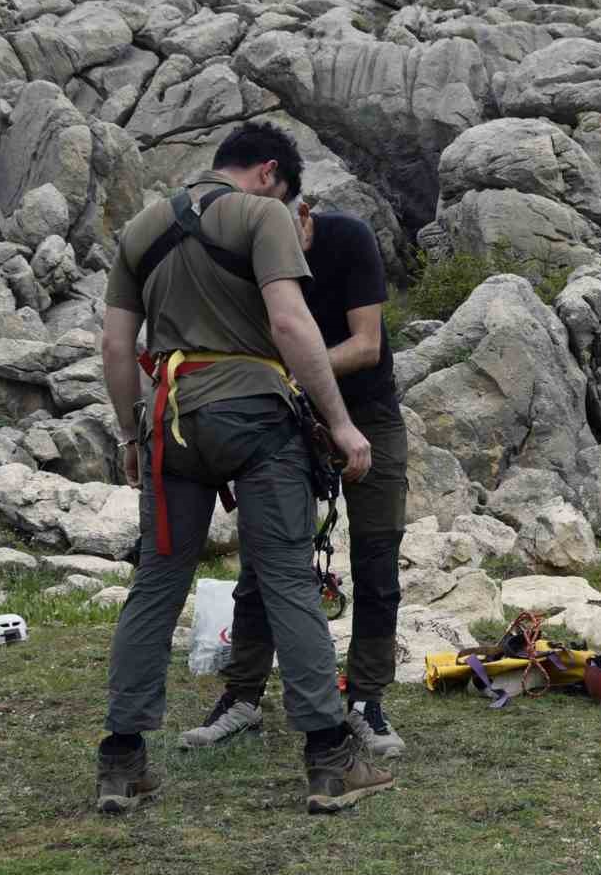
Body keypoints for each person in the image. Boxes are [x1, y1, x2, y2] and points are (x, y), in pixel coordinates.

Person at [96, 120, 391, 815]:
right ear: (268, 173)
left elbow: (114, 347)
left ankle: (120, 763)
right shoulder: (262, 215)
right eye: (287, 193)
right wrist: (342, 425)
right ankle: (329, 758)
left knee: (158, 582)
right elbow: (290, 325)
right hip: (255, 419)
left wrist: (130, 435)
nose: (289, 207)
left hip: (171, 424)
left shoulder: (141, 226)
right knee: (287, 574)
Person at [185, 193, 410, 761]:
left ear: (304, 213)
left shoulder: (349, 240)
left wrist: (288, 369)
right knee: (266, 559)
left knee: (377, 558)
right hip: (284, 418)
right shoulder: (248, 255)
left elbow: (366, 344)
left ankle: (366, 701)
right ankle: (242, 696)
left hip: (367, 415)